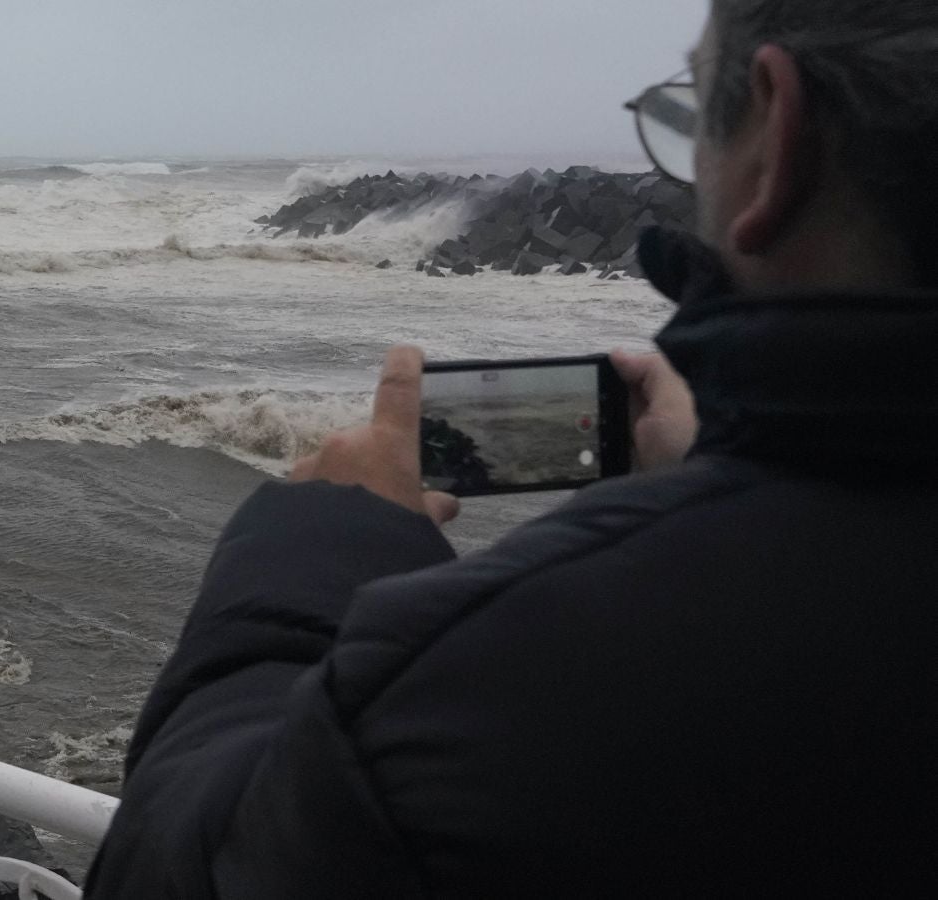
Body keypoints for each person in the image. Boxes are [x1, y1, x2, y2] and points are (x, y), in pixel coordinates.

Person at [86, 1, 938, 895]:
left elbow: (182, 864)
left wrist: (315, 550)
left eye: (691, 111)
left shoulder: (514, 674)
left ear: (773, 131)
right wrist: (724, 460)